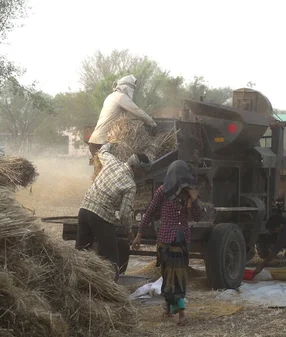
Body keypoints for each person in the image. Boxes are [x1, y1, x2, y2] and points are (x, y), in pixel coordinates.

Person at [132, 160, 202, 326]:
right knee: (169, 275)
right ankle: (172, 309)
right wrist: (139, 234)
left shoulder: (188, 194)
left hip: (180, 241)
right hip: (167, 241)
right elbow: (149, 213)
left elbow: (198, 217)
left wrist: (194, 201)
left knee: (177, 276)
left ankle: (178, 311)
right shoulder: (163, 192)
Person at [76, 142, 151, 281]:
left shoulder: (113, 162)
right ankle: (111, 288)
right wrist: (129, 232)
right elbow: (124, 213)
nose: (143, 175)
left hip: (84, 210)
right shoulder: (130, 185)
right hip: (101, 217)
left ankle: (78, 282)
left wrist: (112, 142)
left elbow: (102, 151)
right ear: (135, 168)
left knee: (81, 252)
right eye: (143, 171)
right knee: (111, 257)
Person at [88, 75, 157, 156]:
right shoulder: (120, 97)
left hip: (95, 141)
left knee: (104, 169)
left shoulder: (110, 96)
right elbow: (137, 112)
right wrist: (152, 123)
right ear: (127, 88)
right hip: (103, 143)